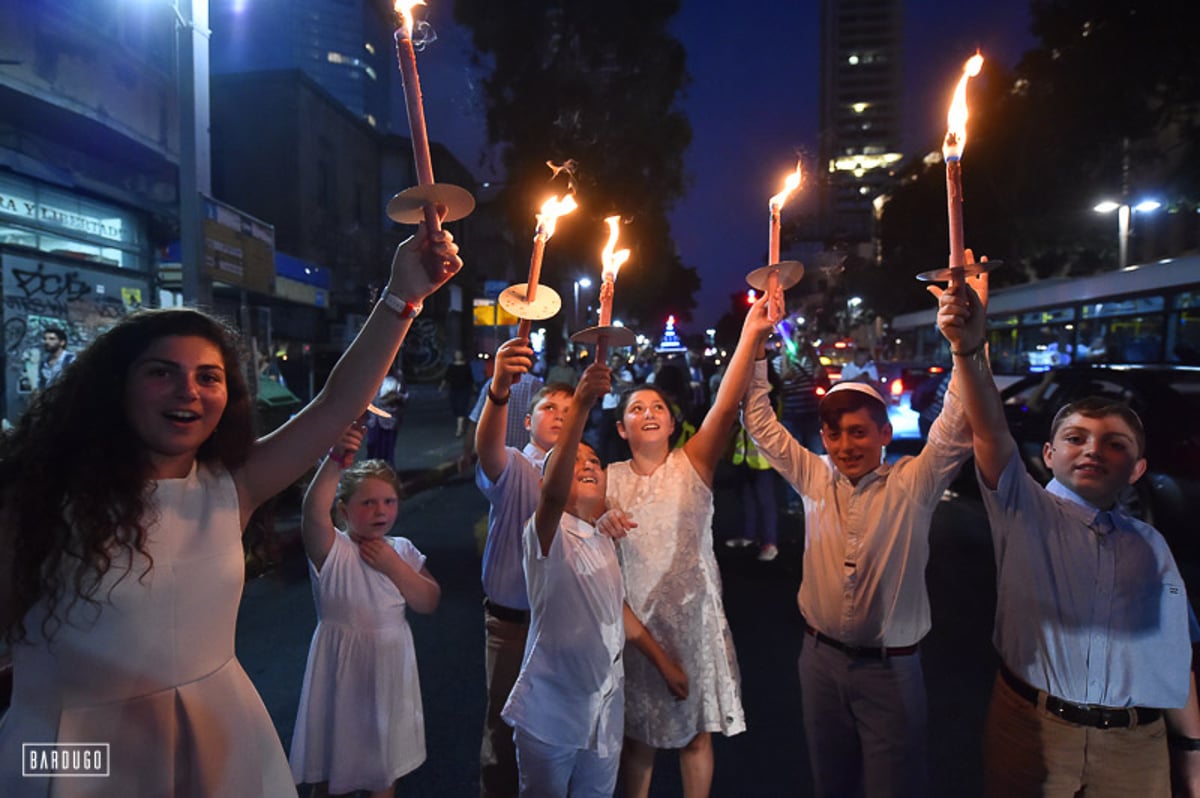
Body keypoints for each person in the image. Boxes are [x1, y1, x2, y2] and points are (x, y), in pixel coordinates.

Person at [0, 222, 460, 796]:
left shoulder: (232, 486)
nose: (188, 391)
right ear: (114, 387)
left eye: (208, 377)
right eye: (161, 372)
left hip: (218, 739)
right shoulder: (34, 497)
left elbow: (337, 403)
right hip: (74, 751)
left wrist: (402, 296)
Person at [935, 277, 1200, 797]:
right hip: (1033, 733)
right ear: (1049, 455)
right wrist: (969, 350)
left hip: (1135, 748)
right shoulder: (1025, 509)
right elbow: (990, 430)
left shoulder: (1151, 545)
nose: (1092, 450)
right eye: (1075, 438)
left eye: (1114, 443)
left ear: (1138, 468)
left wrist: (1191, 753)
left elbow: (1175, 657)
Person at [729, 287, 976, 798]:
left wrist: (965, 346)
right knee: (830, 784)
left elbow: (955, 424)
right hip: (819, 663)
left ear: (885, 434)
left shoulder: (914, 483)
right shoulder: (815, 477)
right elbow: (760, 423)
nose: (846, 446)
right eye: (835, 435)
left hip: (892, 672)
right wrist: (755, 346)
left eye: (859, 433)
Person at [501, 361, 686, 797]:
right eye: (573, 460)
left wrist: (664, 664)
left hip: (605, 708)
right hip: (551, 712)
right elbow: (552, 496)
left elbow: (615, 611)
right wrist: (581, 406)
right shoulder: (544, 535)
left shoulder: (604, 537)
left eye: (595, 460)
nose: (587, 464)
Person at [598, 327, 756, 798]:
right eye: (636, 408)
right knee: (638, 738)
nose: (648, 413)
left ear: (671, 424)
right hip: (635, 628)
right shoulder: (606, 481)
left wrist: (750, 333)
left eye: (658, 408)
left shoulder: (693, 466)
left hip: (694, 624)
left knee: (696, 734)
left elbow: (726, 405)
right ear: (622, 428)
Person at [290, 424, 440, 798]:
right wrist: (336, 459)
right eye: (368, 503)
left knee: (382, 766)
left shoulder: (402, 549)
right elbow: (312, 511)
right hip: (341, 665)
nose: (380, 511)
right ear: (343, 509)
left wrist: (394, 566)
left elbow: (428, 601)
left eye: (389, 502)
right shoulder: (332, 549)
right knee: (330, 761)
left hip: (388, 667)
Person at [474, 335, 574, 798]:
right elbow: (488, 449)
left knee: (556, 726)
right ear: (528, 420)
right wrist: (499, 390)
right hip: (512, 624)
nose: (559, 416)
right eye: (550, 408)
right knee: (502, 727)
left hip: (563, 624)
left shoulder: (585, 474)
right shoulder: (515, 466)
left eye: (569, 410)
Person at [366, 360, 408, 466]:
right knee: (372, 444)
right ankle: (371, 469)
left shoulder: (398, 376)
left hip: (389, 418)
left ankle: (386, 471)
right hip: (374, 418)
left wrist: (396, 397)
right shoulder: (374, 375)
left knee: (387, 449)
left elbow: (405, 395)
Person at [441, 349, 476, 438]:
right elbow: (446, 377)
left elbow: (470, 378)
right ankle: (460, 424)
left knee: (461, 407)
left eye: (459, 354)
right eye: (456, 354)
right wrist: (442, 386)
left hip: (464, 389)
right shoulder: (451, 366)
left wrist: (473, 387)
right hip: (454, 389)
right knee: (455, 407)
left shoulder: (466, 366)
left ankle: (459, 429)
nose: (458, 355)